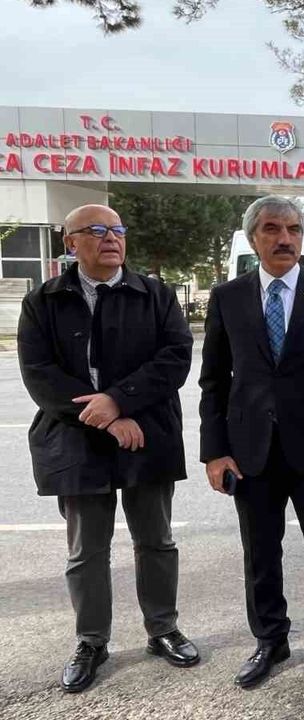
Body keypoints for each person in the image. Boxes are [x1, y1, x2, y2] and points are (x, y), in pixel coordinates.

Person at [18, 204, 198, 693]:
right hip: (75, 436)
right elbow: (39, 374)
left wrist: (119, 401)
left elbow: (175, 359)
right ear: (70, 242)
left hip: (146, 433)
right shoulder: (42, 301)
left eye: (117, 229)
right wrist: (106, 417)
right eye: (96, 230)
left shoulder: (155, 295)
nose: (111, 238)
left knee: (156, 539)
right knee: (86, 550)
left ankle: (163, 629)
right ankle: (91, 641)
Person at [199, 196, 304, 689]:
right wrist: (215, 451)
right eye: (272, 229)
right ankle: (270, 640)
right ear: (254, 238)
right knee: (260, 553)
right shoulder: (227, 298)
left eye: (292, 229)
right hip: (250, 451)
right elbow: (214, 381)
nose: (284, 238)